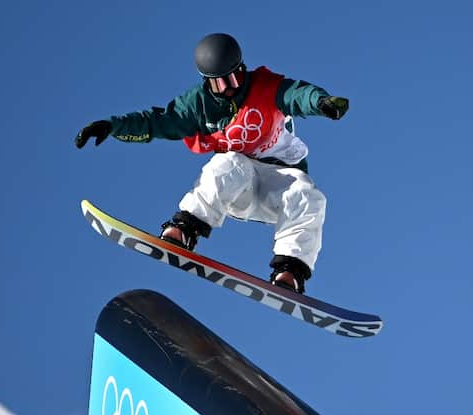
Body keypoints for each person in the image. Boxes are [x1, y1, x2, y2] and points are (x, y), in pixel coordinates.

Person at [75, 33, 349, 294]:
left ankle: (291, 271)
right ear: (207, 81)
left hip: (278, 182)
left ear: (243, 68)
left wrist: (322, 102)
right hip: (237, 187)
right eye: (220, 82)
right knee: (230, 162)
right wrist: (113, 127)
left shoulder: (267, 87)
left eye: (235, 77)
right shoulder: (198, 105)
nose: (230, 87)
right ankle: (185, 229)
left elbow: (299, 95)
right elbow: (155, 121)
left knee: (307, 192)